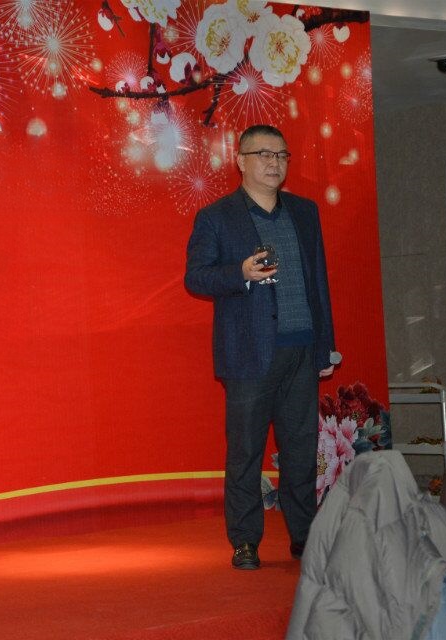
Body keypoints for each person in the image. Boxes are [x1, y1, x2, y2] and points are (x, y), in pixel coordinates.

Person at [184, 124, 335, 571]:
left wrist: (325, 346)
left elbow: (319, 283)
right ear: (241, 161)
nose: (274, 163)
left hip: (302, 349)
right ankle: (246, 541)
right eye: (264, 154)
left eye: (281, 155)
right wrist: (240, 273)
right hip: (248, 355)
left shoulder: (305, 212)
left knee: (301, 451)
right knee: (246, 452)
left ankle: (304, 537)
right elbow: (196, 277)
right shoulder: (216, 216)